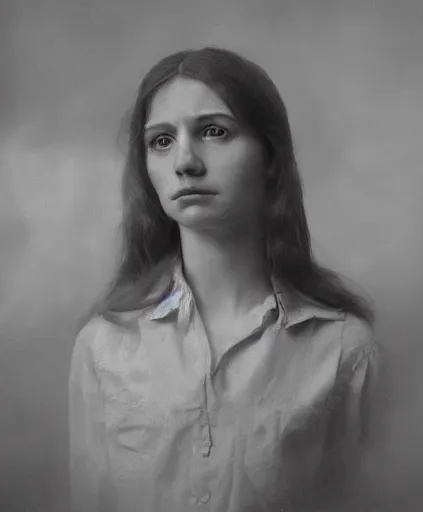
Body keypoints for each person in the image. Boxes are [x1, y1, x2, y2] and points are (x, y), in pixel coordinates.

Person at [69, 47, 381, 512]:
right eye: (161, 141)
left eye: (214, 132)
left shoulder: (342, 348)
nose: (185, 161)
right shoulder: (104, 345)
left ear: (270, 157)